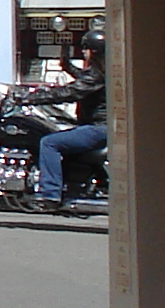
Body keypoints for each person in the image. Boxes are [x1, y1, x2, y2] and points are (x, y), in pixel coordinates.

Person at [34, 46, 109, 210]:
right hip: (101, 127)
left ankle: (50, 195)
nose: (84, 52)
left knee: (49, 143)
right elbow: (83, 80)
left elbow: (70, 92)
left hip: (97, 128)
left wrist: (30, 98)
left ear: (95, 52)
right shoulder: (103, 71)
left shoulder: (96, 74)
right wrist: (68, 66)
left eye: (87, 48)